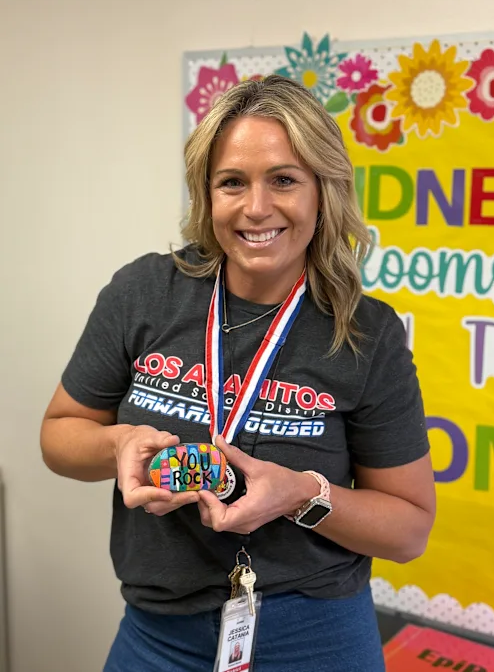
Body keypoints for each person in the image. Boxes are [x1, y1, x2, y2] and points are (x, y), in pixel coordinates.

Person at [40, 74, 436, 672]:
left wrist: (302, 494)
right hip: (157, 635)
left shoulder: (365, 333)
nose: (256, 208)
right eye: (232, 182)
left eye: (283, 179)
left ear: (322, 191)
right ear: (207, 195)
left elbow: (408, 531)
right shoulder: (142, 293)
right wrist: (117, 444)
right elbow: (59, 436)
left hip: (315, 637)